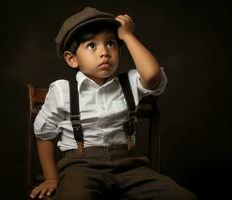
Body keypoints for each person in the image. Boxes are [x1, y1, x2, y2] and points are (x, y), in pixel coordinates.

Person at [30, 7, 197, 200]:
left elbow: (152, 76)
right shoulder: (62, 91)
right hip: (81, 167)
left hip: (129, 166)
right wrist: (51, 178)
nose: (104, 52)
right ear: (72, 59)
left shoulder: (131, 82)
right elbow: (44, 133)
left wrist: (127, 35)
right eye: (92, 46)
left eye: (110, 44)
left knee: (182, 197)